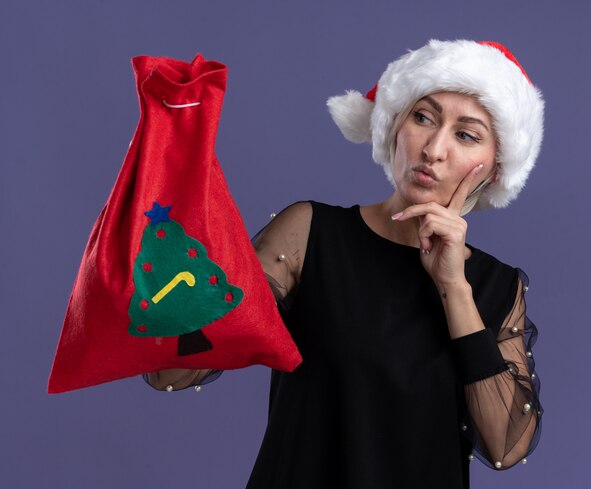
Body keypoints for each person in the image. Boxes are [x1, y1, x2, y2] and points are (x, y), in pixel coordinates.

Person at [146, 39, 544, 488]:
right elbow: (173, 367)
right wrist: (168, 205)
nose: (434, 148)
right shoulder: (311, 235)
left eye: (466, 135)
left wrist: (454, 286)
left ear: (493, 169)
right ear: (394, 125)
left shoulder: (495, 286)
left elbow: (506, 445)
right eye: (423, 118)